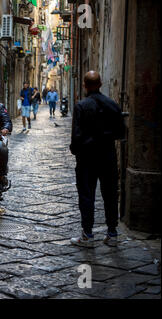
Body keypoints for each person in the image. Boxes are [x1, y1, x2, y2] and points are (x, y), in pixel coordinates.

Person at [70, 71, 126, 248]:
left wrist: (76, 150)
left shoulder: (81, 106)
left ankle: (87, 234)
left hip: (87, 158)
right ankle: (112, 233)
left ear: (85, 86)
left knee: (87, 195)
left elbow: (76, 137)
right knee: (110, 194)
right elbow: (120, 133)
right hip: (108, 156)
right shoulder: (113, 105)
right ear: (100, 84)